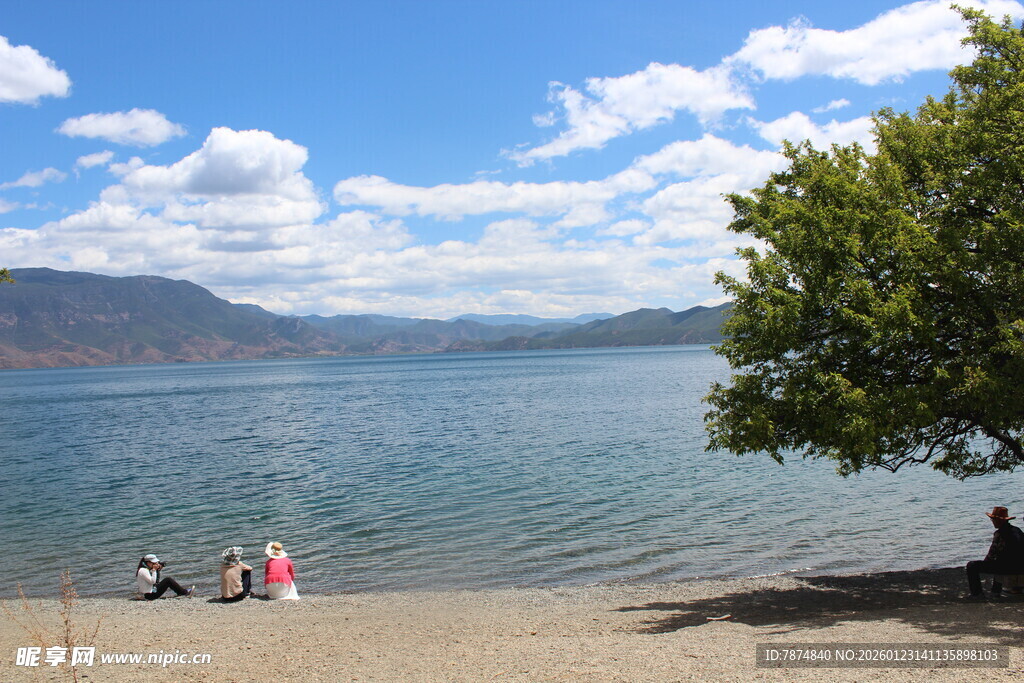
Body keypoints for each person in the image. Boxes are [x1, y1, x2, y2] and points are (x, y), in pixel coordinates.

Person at [966, 506, 1024, 598]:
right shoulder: (1017, 530)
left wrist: (984, 564)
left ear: (998, 521)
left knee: (972, 565)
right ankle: (996, 590)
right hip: (1020, 566)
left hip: (1008, 568)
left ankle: (977, 593)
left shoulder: (1000, 534)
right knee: (1002, 560)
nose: (992, 522)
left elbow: (992, 554)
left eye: (993, 519)